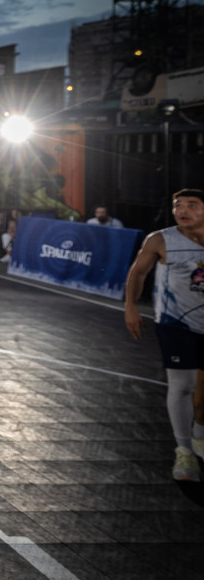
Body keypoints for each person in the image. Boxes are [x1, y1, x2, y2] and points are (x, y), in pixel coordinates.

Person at [123, 188, 204, 482]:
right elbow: (138, 272)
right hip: (175, 323)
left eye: (192, 205)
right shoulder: (160, 239)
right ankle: (184, 452)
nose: (183, 210)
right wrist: (131, 306)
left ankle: (199, 437)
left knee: (202, 395)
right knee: (183, 385)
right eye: (178, 205)